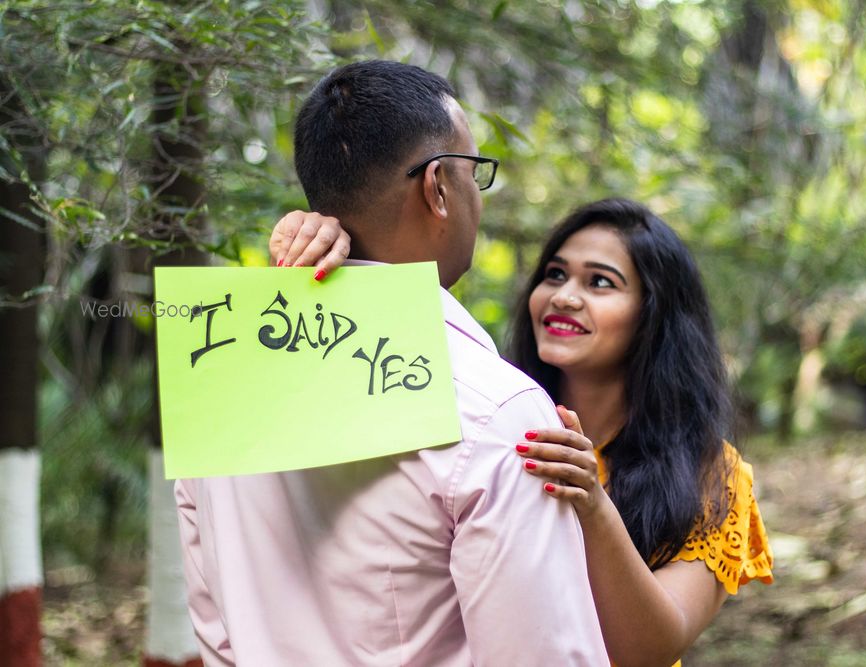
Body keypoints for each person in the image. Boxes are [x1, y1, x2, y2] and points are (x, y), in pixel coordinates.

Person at [175, 60, 609, 666]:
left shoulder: (216, 379)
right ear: (437, 186)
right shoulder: (500, 412)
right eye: (473, 173)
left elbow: (217, 632)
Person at [271, 199, 774, 666]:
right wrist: (336, 247)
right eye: (555, 275)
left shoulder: (714, 473)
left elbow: (650, 649)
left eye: (600, 282)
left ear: (655, 316)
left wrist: (594, 507)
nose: (565, 297)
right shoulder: (483, 418)